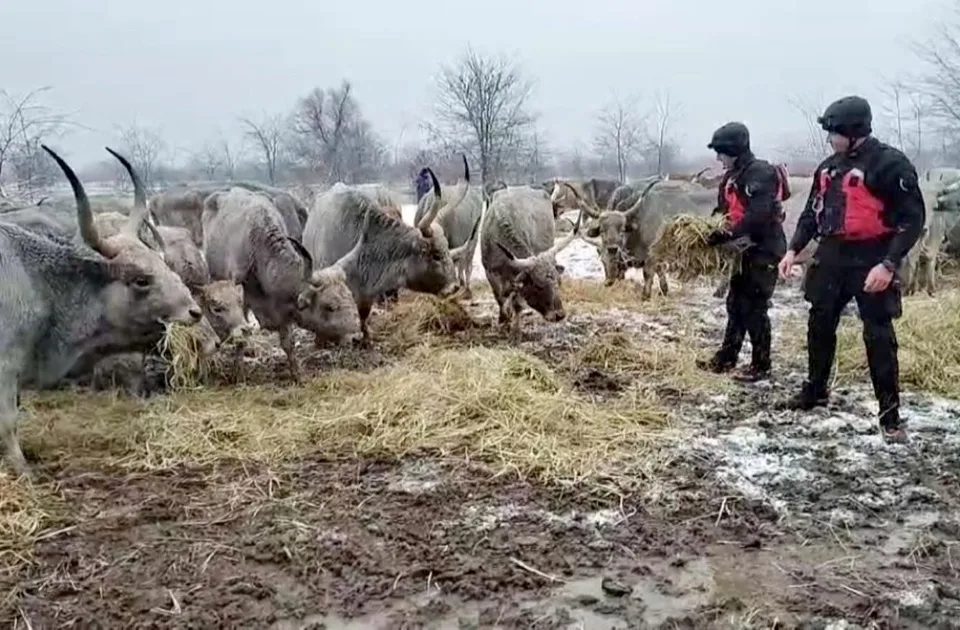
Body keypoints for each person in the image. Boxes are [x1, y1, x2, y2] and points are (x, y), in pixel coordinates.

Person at [776, 95, 925, 443]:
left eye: (834, 133)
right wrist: (793, 249)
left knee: (878, 334)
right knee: (819, 321)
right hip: (832, 254)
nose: (830, 139)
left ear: (853, 131)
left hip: (873, 255)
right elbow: (812, 214)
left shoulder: (890, 164)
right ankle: (815, 390)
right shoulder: (829, 167)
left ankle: (890, 415)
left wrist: (888, 265)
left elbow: (913, 219)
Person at [696, 122, 788, 382]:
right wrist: (709, 227)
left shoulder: (760, 173)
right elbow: (723, 210)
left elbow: (758, 214)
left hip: (763, 249)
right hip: (741, 251)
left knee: (754, 306)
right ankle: (727, 357)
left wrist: (728, 233)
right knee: (735, 304)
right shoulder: (731, 177)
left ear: (733, 150)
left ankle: (761, 364)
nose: (718, 159)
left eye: (720, 153)